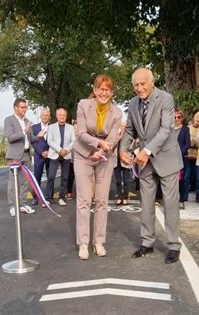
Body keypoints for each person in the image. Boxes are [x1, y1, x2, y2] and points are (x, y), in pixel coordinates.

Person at [119, 68, 183, 264]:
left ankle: (173, 245)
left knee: (170, 204)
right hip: (144, 163)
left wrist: (146, 151)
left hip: (166, 159)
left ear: (152, 82)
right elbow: (130, 130)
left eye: (143, 84)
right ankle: (147, 242)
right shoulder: (131, 104)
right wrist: (122, 149)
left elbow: (166, 130)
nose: (140, 88)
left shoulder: (165, 99)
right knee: (146, 204)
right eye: (136, 85)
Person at [72, 74, 122, 260]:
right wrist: (96, 146)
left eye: (107, 89)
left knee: (102, 201)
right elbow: (82, 133)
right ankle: (83, 243)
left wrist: (102, 149)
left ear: (111, 92)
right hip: (83, 155)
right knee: (84, 200)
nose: (103, 92)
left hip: (104, 156)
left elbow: (113, 138)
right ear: (94, 90)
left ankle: (98, 241)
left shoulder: (117, 113)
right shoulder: (83, 105)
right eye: (100, 88)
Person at [4, 98, 36, 217]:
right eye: (22, 107)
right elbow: (10, 137)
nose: (24, 110)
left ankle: (23, 204)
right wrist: (23, 131)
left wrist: (40, 136)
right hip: (14, 156)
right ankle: (12, 206)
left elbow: (32, 139)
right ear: (15, 107)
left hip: (27, 154)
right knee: (13, 182)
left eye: (25, 107)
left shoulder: (27, 121)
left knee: (25, 182)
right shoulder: (9, 120)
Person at [46, 107, 75, 206]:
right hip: (54, 154)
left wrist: (66, 150)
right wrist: (59, 150)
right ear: (57, 116)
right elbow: (49, 140)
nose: (62, 117)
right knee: (51, 176)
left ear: (66, 116)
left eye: (64, 115)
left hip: (66, 155)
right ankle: (49, 198)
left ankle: (62, 197)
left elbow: (73, 141)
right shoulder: (51, 127)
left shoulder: (71, 128)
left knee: (65, 177)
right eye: (60, 115)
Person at [183, 111, 199, 204]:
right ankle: (184, 196)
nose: (198, 119)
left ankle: (198, 196)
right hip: (188, 156)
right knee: (186, 178)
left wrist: (195, 143)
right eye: (197, 117)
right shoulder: (188, 128)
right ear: (194, 117)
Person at [31, 108, 51, 206]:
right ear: (40, 116)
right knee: (37, 177)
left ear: (49, 117)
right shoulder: (34, 127)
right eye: (43, 115)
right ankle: (35, 197)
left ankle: (49, 197)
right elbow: (33, 142)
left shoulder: (52, 127)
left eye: (46, 115)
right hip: (38, 155)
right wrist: (41, 152)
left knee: (50, 177)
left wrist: (48, 152)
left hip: (50, 155)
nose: (45, 117)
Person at [175, 110, 190, 210]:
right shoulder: (168, 129)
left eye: (178, 117)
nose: (176, 119)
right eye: (174, 117)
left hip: (181, 157)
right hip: (169, 158)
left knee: (181, 179)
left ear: (182, 118)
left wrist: (179, 152)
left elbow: (187, 143)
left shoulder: (185, 129)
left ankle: (181, 200)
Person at [114, 122, 131, 206]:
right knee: (118, 180)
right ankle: (119, 197)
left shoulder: (129, 136)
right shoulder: (116, 135)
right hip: (116, 160)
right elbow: (112, 145)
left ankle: (125, 197)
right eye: (121, 126)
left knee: (126, 180)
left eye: (124, 126)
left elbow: (131, 147)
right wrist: (119, 136)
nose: (123, 128)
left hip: (126, 160)